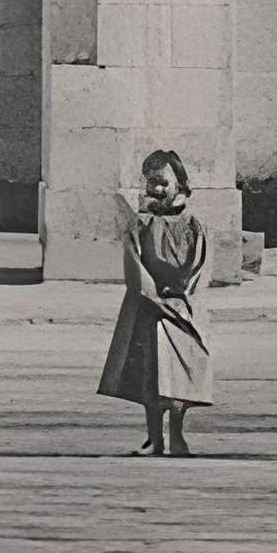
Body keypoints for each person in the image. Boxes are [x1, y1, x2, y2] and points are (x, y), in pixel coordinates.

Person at [97, 147, 213, 456]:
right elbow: (135, 267)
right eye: (152, 182)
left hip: (183, 310)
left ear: (180, 184)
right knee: (151, 374)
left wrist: (182, 296)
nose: (158, 189)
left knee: (181, 377)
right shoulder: (141, 226)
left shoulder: (195, 226)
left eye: (164, 182)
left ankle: (177, 436)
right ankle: (154, 438)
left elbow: (200, 267)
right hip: (150, 310)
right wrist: (152, 295)